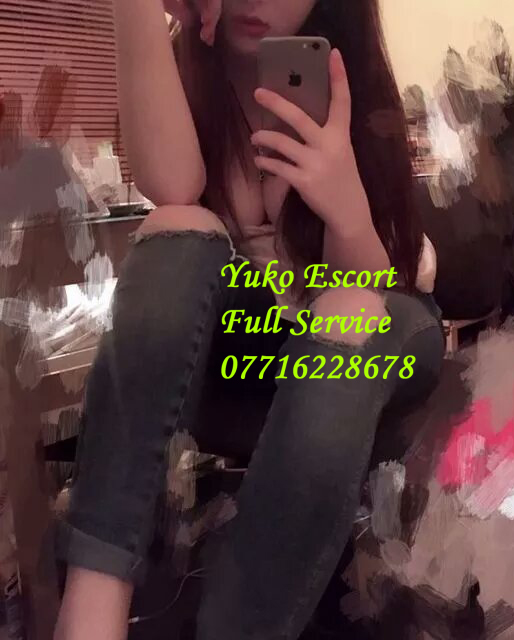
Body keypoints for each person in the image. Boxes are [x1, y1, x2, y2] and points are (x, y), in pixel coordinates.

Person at [53, 1, 444, 638]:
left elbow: (378, 280)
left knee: (343, 315)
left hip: (382, 310)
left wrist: (345, 207)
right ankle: (92, 605)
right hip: (251, 340)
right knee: (178, 224)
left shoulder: (345, 77)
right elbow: (174, 193)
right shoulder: (188, 74)